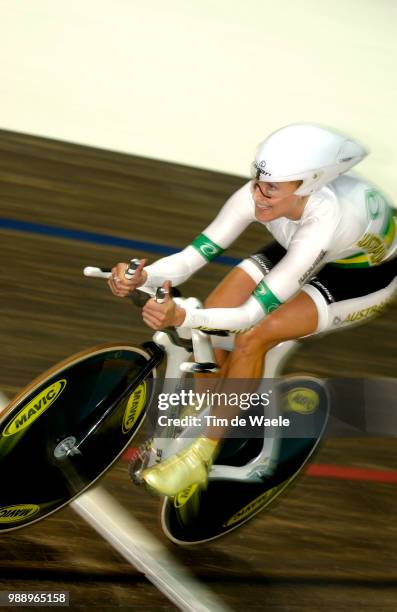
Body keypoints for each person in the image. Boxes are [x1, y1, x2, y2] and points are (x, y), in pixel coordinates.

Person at [108, 123, 397, 497]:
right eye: (258, 180)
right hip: (305, 243)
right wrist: (143, 274)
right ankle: (216, 406)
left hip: (361, 278)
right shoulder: (267, 195)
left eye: (272, 187)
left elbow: (248, 317)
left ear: (306, 185)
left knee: (253, 337)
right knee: (212, 317)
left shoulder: (325, 222)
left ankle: (201, 456)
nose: (258, 194)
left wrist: (182, 317)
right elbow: (189, 259)